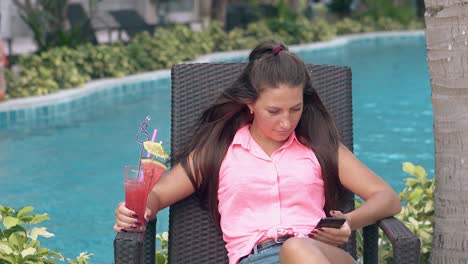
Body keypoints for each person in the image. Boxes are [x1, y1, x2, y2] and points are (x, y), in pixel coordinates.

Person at [114, 41, 401, 264]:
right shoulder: (220, 148)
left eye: (296, 109)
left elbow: (387, 198)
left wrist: (350, 222)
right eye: (274, 111)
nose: (286, 122)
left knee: (297, 247)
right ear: (250, 103)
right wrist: (139, 209)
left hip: (321, 255)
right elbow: (159, 194)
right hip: (255, 258)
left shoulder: (319, 145)